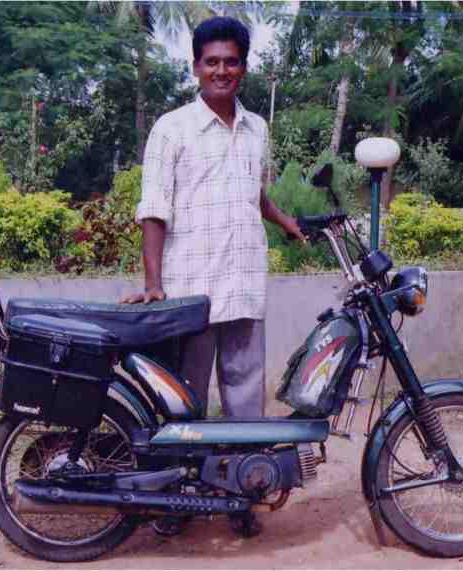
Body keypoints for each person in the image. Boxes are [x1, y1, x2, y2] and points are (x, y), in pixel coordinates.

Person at [125, 16, 304, 420]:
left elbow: (250, 191)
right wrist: (154, 285)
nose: (221, 71)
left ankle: (242, 477)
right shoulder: (171, 129)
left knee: (246, 396)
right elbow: (153, 208)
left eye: (231, 62)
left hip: (243, 283)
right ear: (196, 67)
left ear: (244, 67)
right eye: (212, 62)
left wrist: (283, 219)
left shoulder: (257, 128)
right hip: (191, 289)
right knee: (183, 401)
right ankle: (185, 478)